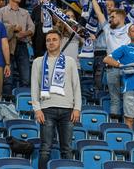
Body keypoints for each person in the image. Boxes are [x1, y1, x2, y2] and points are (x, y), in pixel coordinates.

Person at [31, 29, 81, 169]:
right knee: (45, 148)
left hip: (67, 110)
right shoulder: (38, 62)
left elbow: (76, 86)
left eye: (54, 39)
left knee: (67, 148)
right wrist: (37, 109)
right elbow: (34, 87)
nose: (51, 42)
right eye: (48, 40)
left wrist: (77, 108)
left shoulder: (70, 61)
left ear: (60, 42)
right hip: (46, 109)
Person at [92, 0, 134, 116]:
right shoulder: (107, 28)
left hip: (128, 69)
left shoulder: (130, 28)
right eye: (110, 17)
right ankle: (115, 124)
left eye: (113, 17)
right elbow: (98, 12)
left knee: (131, 98)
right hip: (111, 69)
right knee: (115, 99)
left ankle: (131, 126)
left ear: (121, 17)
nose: (110, 19)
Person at [0, 0, 35, 94]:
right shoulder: (1, 11)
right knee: (8, 77)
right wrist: (12, 28)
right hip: (7, 45)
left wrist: (24, 33)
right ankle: (7, 100)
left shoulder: (25, 12)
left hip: (22, 44)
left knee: (25, 76)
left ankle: (24, 102)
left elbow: (32, 28)